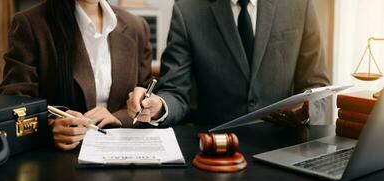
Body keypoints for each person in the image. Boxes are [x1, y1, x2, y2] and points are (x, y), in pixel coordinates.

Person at [127, 0, 330, 127]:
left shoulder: (299, 4)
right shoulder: (187, 9)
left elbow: (317, 83)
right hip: (214, 151)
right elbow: (175, 91)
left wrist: (307, 111)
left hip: (284, 145)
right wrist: (159, 106)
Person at [0, 0, 152, 150]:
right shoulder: (31, 23)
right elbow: (13, 100)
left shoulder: (136, 26)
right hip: (58, 157)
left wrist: (120, 118)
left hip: (120, 151)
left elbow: (146, 94)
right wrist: (50, 125)